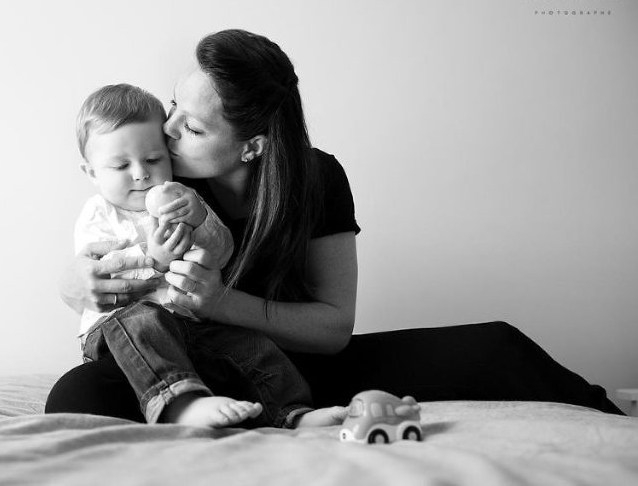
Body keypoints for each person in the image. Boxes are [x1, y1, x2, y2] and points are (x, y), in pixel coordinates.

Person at [46, 29, 622, 421]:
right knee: (77, 392)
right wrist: (76, 282)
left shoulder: (315, 179)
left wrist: (219, 302)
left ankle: (618, 420)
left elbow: (332, 329)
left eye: (191, 127)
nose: (166, 133)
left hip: (302, 363)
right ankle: (206, 412)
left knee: (496, 346)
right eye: (172, 107)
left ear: (253, 146)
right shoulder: (160, 178)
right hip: (200, 367)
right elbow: (101, 255)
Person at [71, 83, 335, 428]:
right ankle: (181, 403)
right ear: (92, 173)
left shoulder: (183, 196)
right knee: (140, 321)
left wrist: (198, 217)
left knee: (252, 346)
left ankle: (293, 414)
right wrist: (154, 258)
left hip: (191, 323)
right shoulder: (99, 214)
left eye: (153, 159)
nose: (140, 173)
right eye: (121, 166)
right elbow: (103, 275)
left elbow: (223, 250)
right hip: (121, 327)